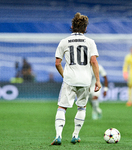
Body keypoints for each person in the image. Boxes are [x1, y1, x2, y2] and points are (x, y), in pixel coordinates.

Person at [50, 12, 101, 145]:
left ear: (72, 27)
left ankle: (58, 136)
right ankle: (75, 135)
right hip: (85, 80)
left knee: (62, 107)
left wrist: (65, 76)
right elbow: (94, 62)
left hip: (69, 80)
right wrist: (98, 80)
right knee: (82, 107)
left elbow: (57, 63)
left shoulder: (64, 41)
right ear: (85, 28)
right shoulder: (90, 42)